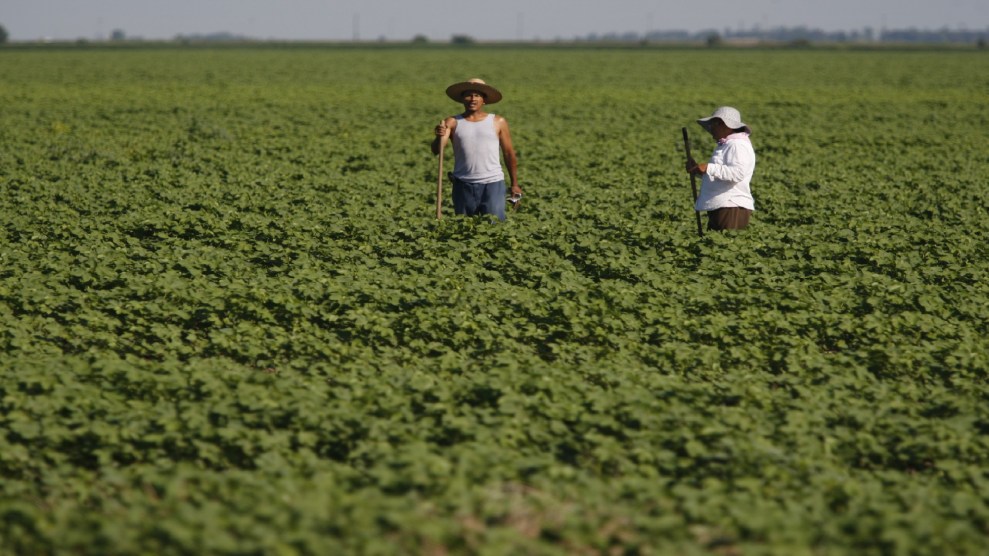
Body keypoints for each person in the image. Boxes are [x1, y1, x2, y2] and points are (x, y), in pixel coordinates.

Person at [431, 78, 521, 221]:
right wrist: (438, 137)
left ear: (484, 100)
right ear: (462, 99)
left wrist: (514, 184)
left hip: (493, 182)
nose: (473, 99)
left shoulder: (498, 121)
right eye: (469, 95)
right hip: (463, 183)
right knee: (464, 227)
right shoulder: (452, 122)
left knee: (494, 225)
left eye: (477, 95)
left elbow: (509, 153)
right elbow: (437, 150)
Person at [686, 106, 756, 231]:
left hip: (731, 205)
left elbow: (738, 173)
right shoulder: (726, 144)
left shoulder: (737, 145)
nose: (710, 129)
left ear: (724, 125)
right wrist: (698, 170)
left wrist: (708, 167)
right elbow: (719, 176)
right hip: (723, 206)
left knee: (725, 246)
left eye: (713, 125)